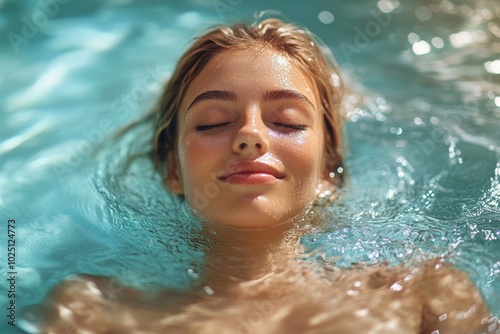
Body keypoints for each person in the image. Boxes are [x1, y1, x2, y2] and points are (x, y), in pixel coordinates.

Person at [41, 17, 497, 333]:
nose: (249, 136)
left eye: (289, 122)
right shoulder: (91, 315)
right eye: (213, 122)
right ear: (172, 170)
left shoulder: (425, 295)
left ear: (327, 172)